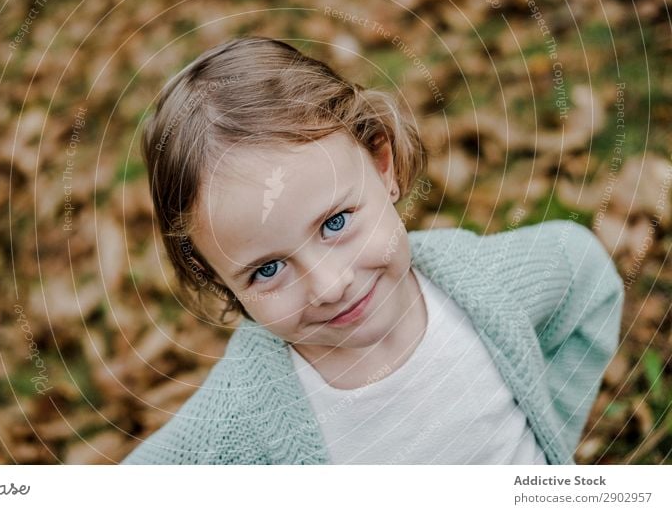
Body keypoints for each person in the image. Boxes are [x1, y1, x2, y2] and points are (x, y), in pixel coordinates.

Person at [121, 36, 624, 464]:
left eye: (335, 223)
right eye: (268, 269)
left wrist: (550, 445)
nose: (329, 285)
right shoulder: (247, 410)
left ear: (381, 165)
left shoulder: (484, 286)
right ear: (217, 278)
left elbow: (585, 274)